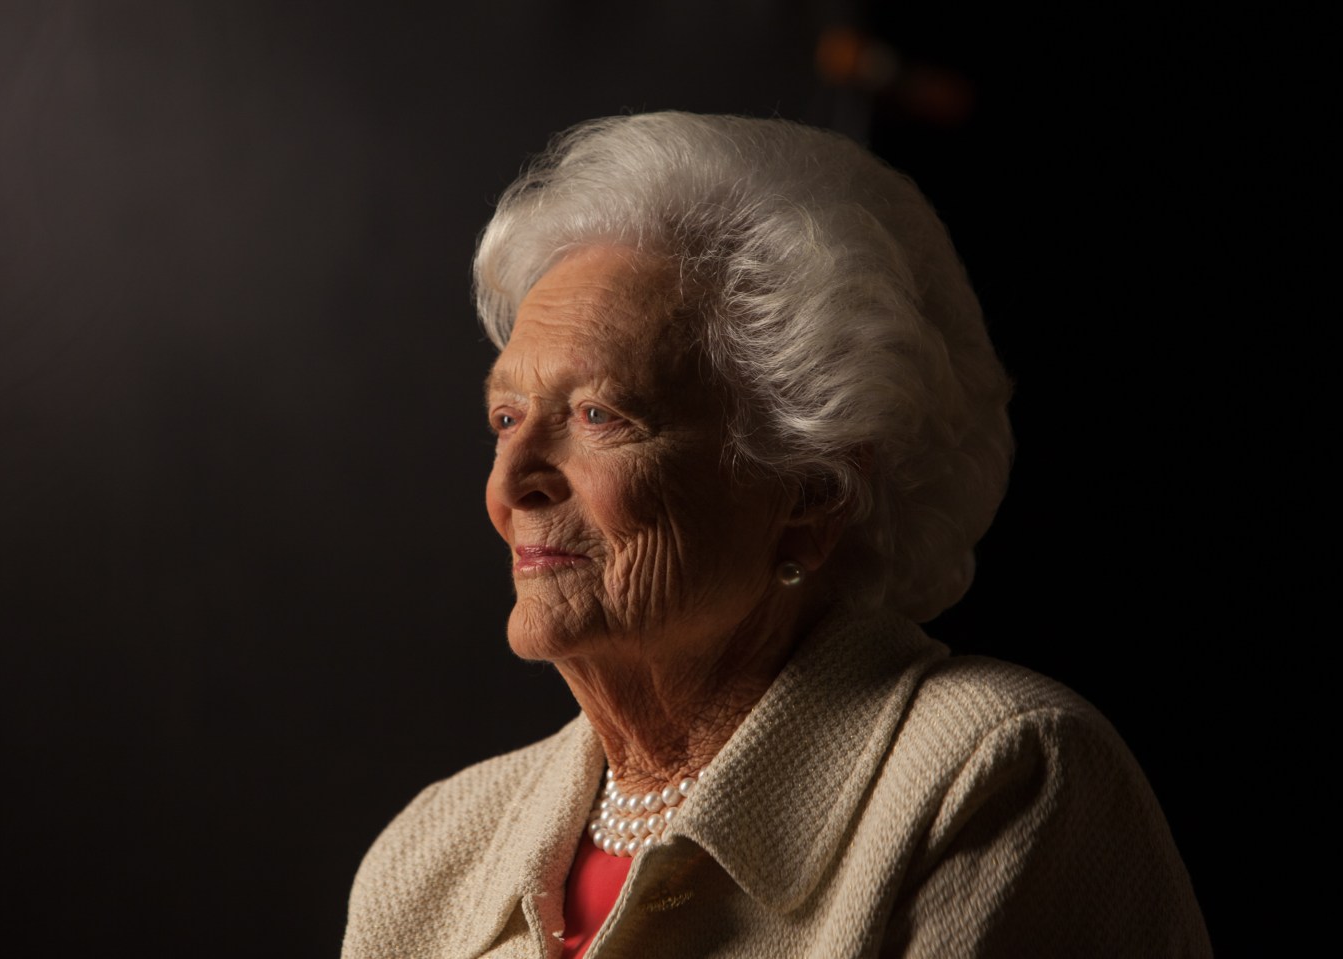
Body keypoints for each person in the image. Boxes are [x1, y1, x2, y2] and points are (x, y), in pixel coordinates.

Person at [342, 112, 1209, 958]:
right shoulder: (432, 852)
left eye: (599, 414)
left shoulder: (997, 781)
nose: (511, 482)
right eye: (505, 416)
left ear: (810, 490)